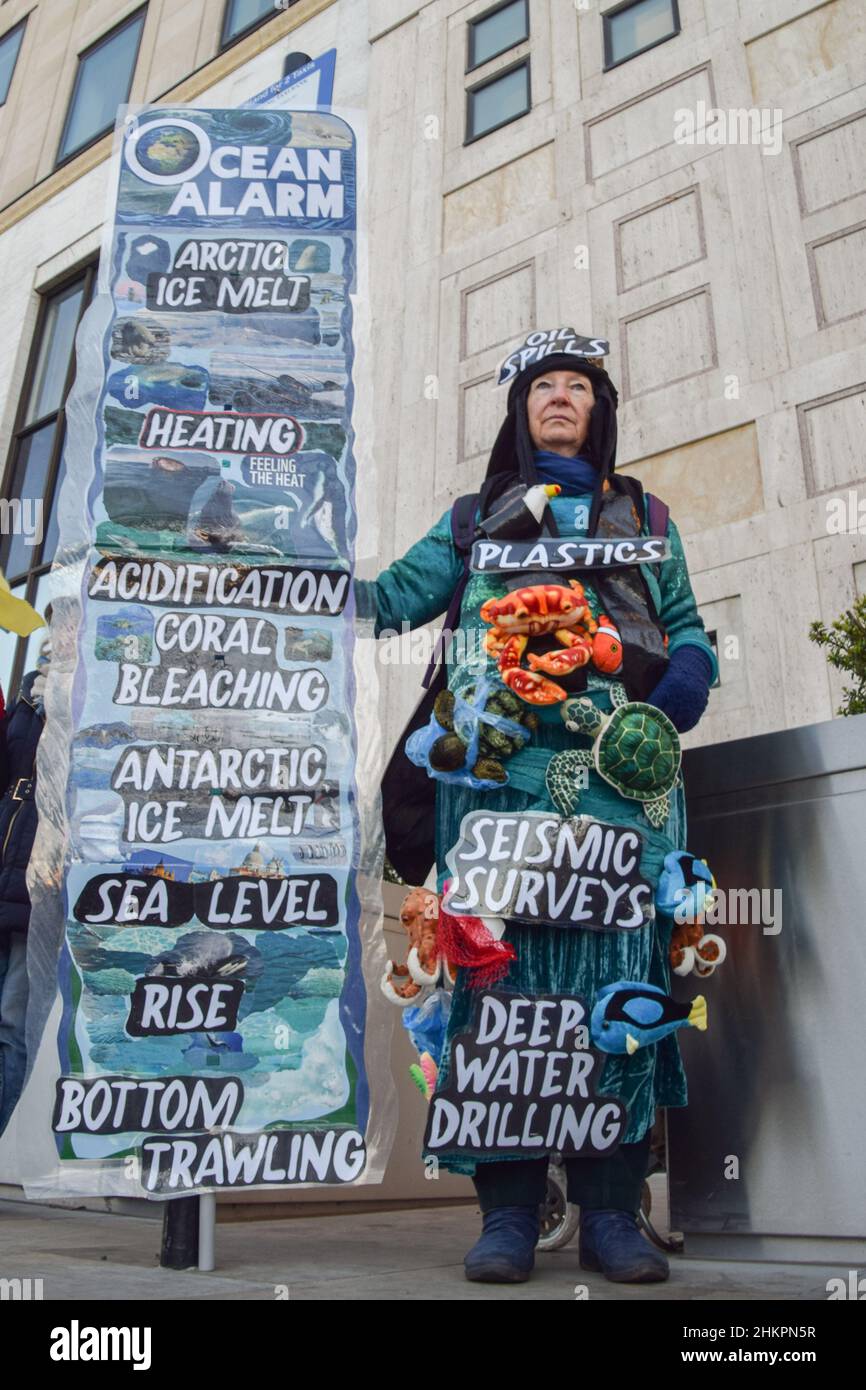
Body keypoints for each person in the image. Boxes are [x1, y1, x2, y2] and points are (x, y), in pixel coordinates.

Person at [357, 331, 717, 1284]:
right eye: (542, 387)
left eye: (577, 387)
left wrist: (685, 675)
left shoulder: (642, 512)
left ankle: (612, 1214)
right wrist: (294, 582)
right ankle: (507, 1214)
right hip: (490, 790)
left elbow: (687, 625)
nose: (559, 398)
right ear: (520, 410)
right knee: (497, 989)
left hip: (620, 794)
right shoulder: (475, 520)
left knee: (614, 989)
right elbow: (392, 600)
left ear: (600, 409)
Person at [0, 626, 49, 1137]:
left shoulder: (91, 700)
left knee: (14, 1026)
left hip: (40, 883)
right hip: (5, 868)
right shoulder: (25, 699)